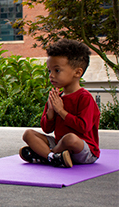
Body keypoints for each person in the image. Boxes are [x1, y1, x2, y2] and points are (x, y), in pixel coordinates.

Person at [20, 39, 100, 168]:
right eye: (49, 71)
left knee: (70, 139)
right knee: (28, 134)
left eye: (57, 71)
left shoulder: (85, 98)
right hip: (59, 145)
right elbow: (47, 129)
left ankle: (45, 155)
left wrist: (61, 111)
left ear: (77, 72)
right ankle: (52, 157)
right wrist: (51, 112)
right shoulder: (56, 96)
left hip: (83, 150)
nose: (51, 75)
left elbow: (83, 127)